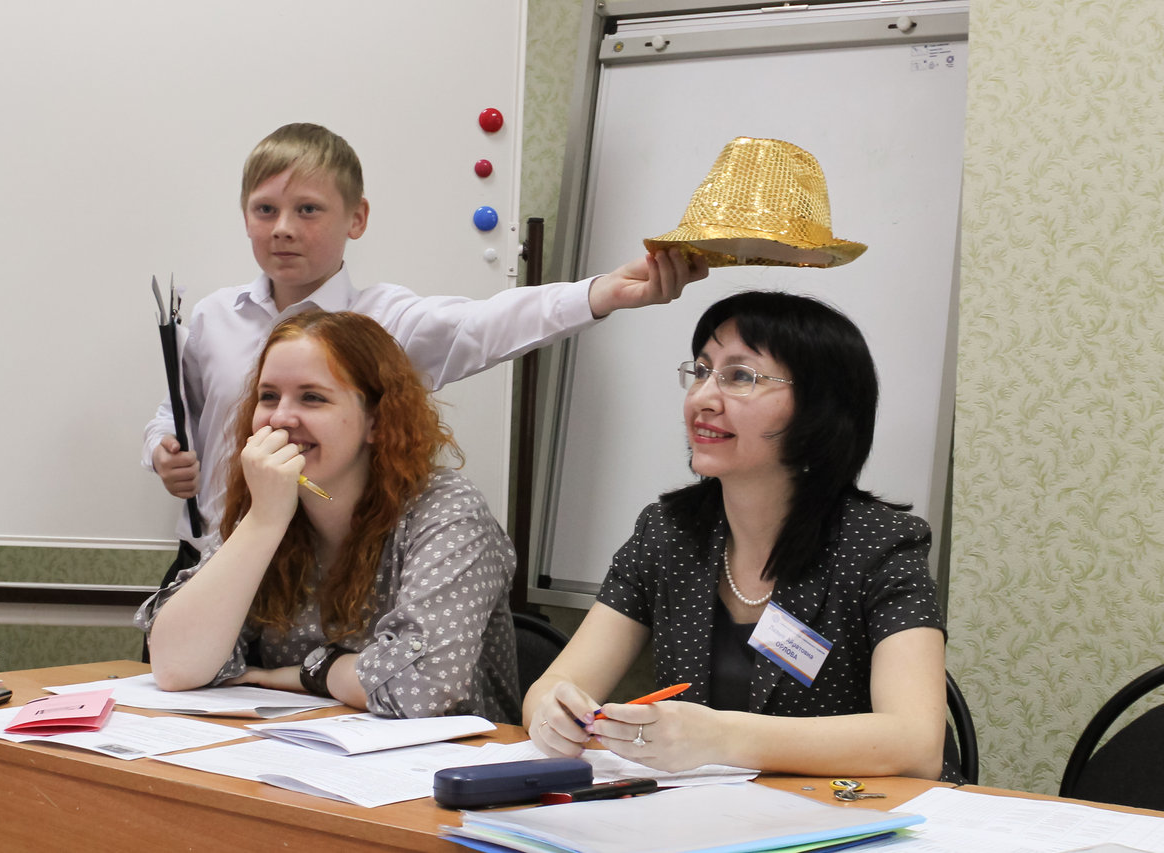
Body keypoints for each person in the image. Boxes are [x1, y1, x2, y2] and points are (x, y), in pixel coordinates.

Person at [143, 122, 707, 588]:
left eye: (308, 209)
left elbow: (488, 322)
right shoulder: (214, 316)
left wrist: (601, 292)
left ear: (357, 218)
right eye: (265, 209)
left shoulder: (382, 321)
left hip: (319, 580)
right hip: (208, 563)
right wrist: (161, 448)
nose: (283, 229)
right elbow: (179, 411)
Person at [523, 291, 954, 781]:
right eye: (702, 371)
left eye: (740, 377)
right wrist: (554, 714)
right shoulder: (667, 533)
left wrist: (721, 738)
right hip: (707, 813)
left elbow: (917, 744)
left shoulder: (880, 544)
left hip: (853, 813)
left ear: (818, 408)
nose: (703, 398)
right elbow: (554, 686)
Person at [137, 310, 520, 722]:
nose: (280, 418)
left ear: (376, 421)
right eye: (269, 396)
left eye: (312, 398)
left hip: (452, 757)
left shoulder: (448, 509)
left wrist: (310, 673)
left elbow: (423, 688)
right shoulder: (268, 501)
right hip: (301, 746)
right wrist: (263, 522)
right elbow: (176, 666)